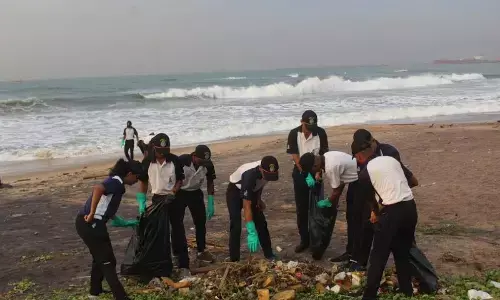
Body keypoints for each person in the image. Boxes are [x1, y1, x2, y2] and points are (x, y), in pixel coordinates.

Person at [333, 129, 419, 270]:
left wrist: (383, 202)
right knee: (365, 227)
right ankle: (359, 262)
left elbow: (406, 179)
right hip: (372, 198)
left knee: (401, 239)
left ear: (372, 141)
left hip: (392, 201)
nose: (360, 158)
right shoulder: (362, 155)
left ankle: (413, 266)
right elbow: (363, 179)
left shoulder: (389, 153)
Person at [351, 140, 418, 300]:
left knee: (378, 257)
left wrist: (376, 213)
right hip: (410, 208)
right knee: (402, 253)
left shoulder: (365, 174)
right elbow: (413, 181)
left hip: (392, 212)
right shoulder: (392, 159)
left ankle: (369, 296)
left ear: (359, 156)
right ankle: (406, 292)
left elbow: (372, 204)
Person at [75, 159, 143, 300]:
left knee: (100, 258)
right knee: (107, 261)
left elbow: (107, 207)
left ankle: (95, 292)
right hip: (90, 223)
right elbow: (98, 188)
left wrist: (123, 222)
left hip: (90, 223)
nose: (136, 181)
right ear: (129, 173)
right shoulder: (116, 182)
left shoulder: (116, 182)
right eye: (136, 177)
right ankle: (121, 296)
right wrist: (92, 213)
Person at [136, 133, 191, 278]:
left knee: (178, 230)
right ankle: (163, 265)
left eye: (165, 151)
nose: (162, 154)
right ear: (153, 148)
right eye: (160, 151)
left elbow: (180, 180)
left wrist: (173, 192)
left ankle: (184, 265)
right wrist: (141, 200)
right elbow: (143, 181)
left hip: (174, 198)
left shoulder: (174, 160)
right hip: (157, 199)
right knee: (159, 232)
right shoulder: (147, 161)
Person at [298, 151, 358, 260]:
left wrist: (328, 202)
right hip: (355, 177)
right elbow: (340, 183)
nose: (313, 172)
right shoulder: (326, 156)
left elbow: (336, 191)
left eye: (312, 170)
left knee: (354, 218)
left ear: (315, 165)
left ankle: (353, 255)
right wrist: (319, 174)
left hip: (359, 180)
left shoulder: (331, 167)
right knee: (351, 217)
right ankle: (351, 252)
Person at [286, 110, 329, 253]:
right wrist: (305, 174)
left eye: (313, 127)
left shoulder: (320, 133)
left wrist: (317, 173)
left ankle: (317, 240)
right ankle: (304, 240)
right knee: (302, 208)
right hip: (299, 172)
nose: (310, 131)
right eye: (307, 127)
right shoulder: (294, 134)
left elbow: (323, 156)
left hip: (316, 171)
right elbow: (295, 155)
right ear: (301, 122)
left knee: (317, 208)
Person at [226, 156, 279, 262]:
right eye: (267, 175)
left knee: (261, 222)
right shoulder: (249, 175)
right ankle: (234, 259)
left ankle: (269, 254)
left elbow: (261, 184)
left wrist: (259, 199)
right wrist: (251, 231)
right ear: (260, 169)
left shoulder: (270, 169)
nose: (269, 177)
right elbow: (246, 206)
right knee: (236, 224)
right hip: (235, 191)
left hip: (253, 191)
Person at [174, 145, 217, 265]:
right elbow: (172, 178)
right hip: (180, 193)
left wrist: (210, 200)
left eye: (206, 161)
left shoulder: (208, 164)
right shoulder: (182, 161)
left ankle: (201, 251)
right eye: (201, 161)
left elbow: (210, 181)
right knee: (177, 223)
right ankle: (176, 252)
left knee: (200, 222)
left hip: (195, 193)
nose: (203, 163)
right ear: (194, 156)